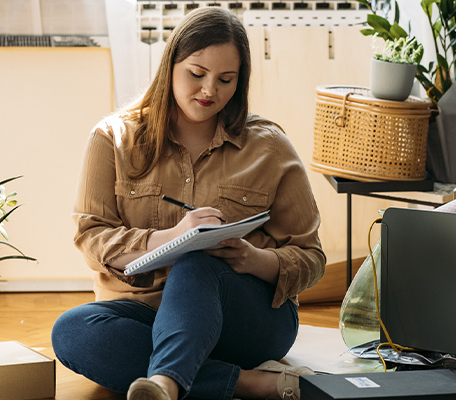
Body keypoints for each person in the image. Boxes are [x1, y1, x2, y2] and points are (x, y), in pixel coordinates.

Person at [51, 6, 326, 400]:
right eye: (196, 74)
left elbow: (311, 256)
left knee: (197, 262)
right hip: (144, 315)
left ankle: (165, 383)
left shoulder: (269, 147)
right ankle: (247, 384)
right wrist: (171, 237)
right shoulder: (112, 138)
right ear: (170, 65)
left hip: (245, 319)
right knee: (72, 331)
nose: (209, 90)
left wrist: (253, 259)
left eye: (225, 79)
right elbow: (91, 236)